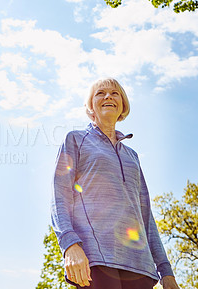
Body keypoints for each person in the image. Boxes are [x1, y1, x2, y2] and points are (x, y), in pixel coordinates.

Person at [51, 78, 180, 289]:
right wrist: (70, 245)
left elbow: (146, 217)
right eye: (100, 93)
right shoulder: (75, 140)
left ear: (122, 104)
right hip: (96, 259)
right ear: (91, 106)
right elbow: (60, 196)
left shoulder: (133, 156)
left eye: (115, 93)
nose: (108, 96)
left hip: (141, 267)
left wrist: (166, 271)